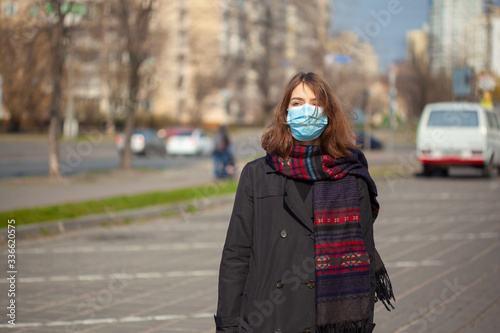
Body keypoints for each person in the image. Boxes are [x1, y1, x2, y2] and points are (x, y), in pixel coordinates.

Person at [215, 72, 394, 333]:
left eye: (315, 103)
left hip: (329, 323)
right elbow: (236, 256)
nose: (306, 110)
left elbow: (364, 259)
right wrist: (228, 325)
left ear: (328, 113)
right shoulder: (257, 174)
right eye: (297, 103)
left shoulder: (351, 177)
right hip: (266, 320)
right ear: (285, 112)